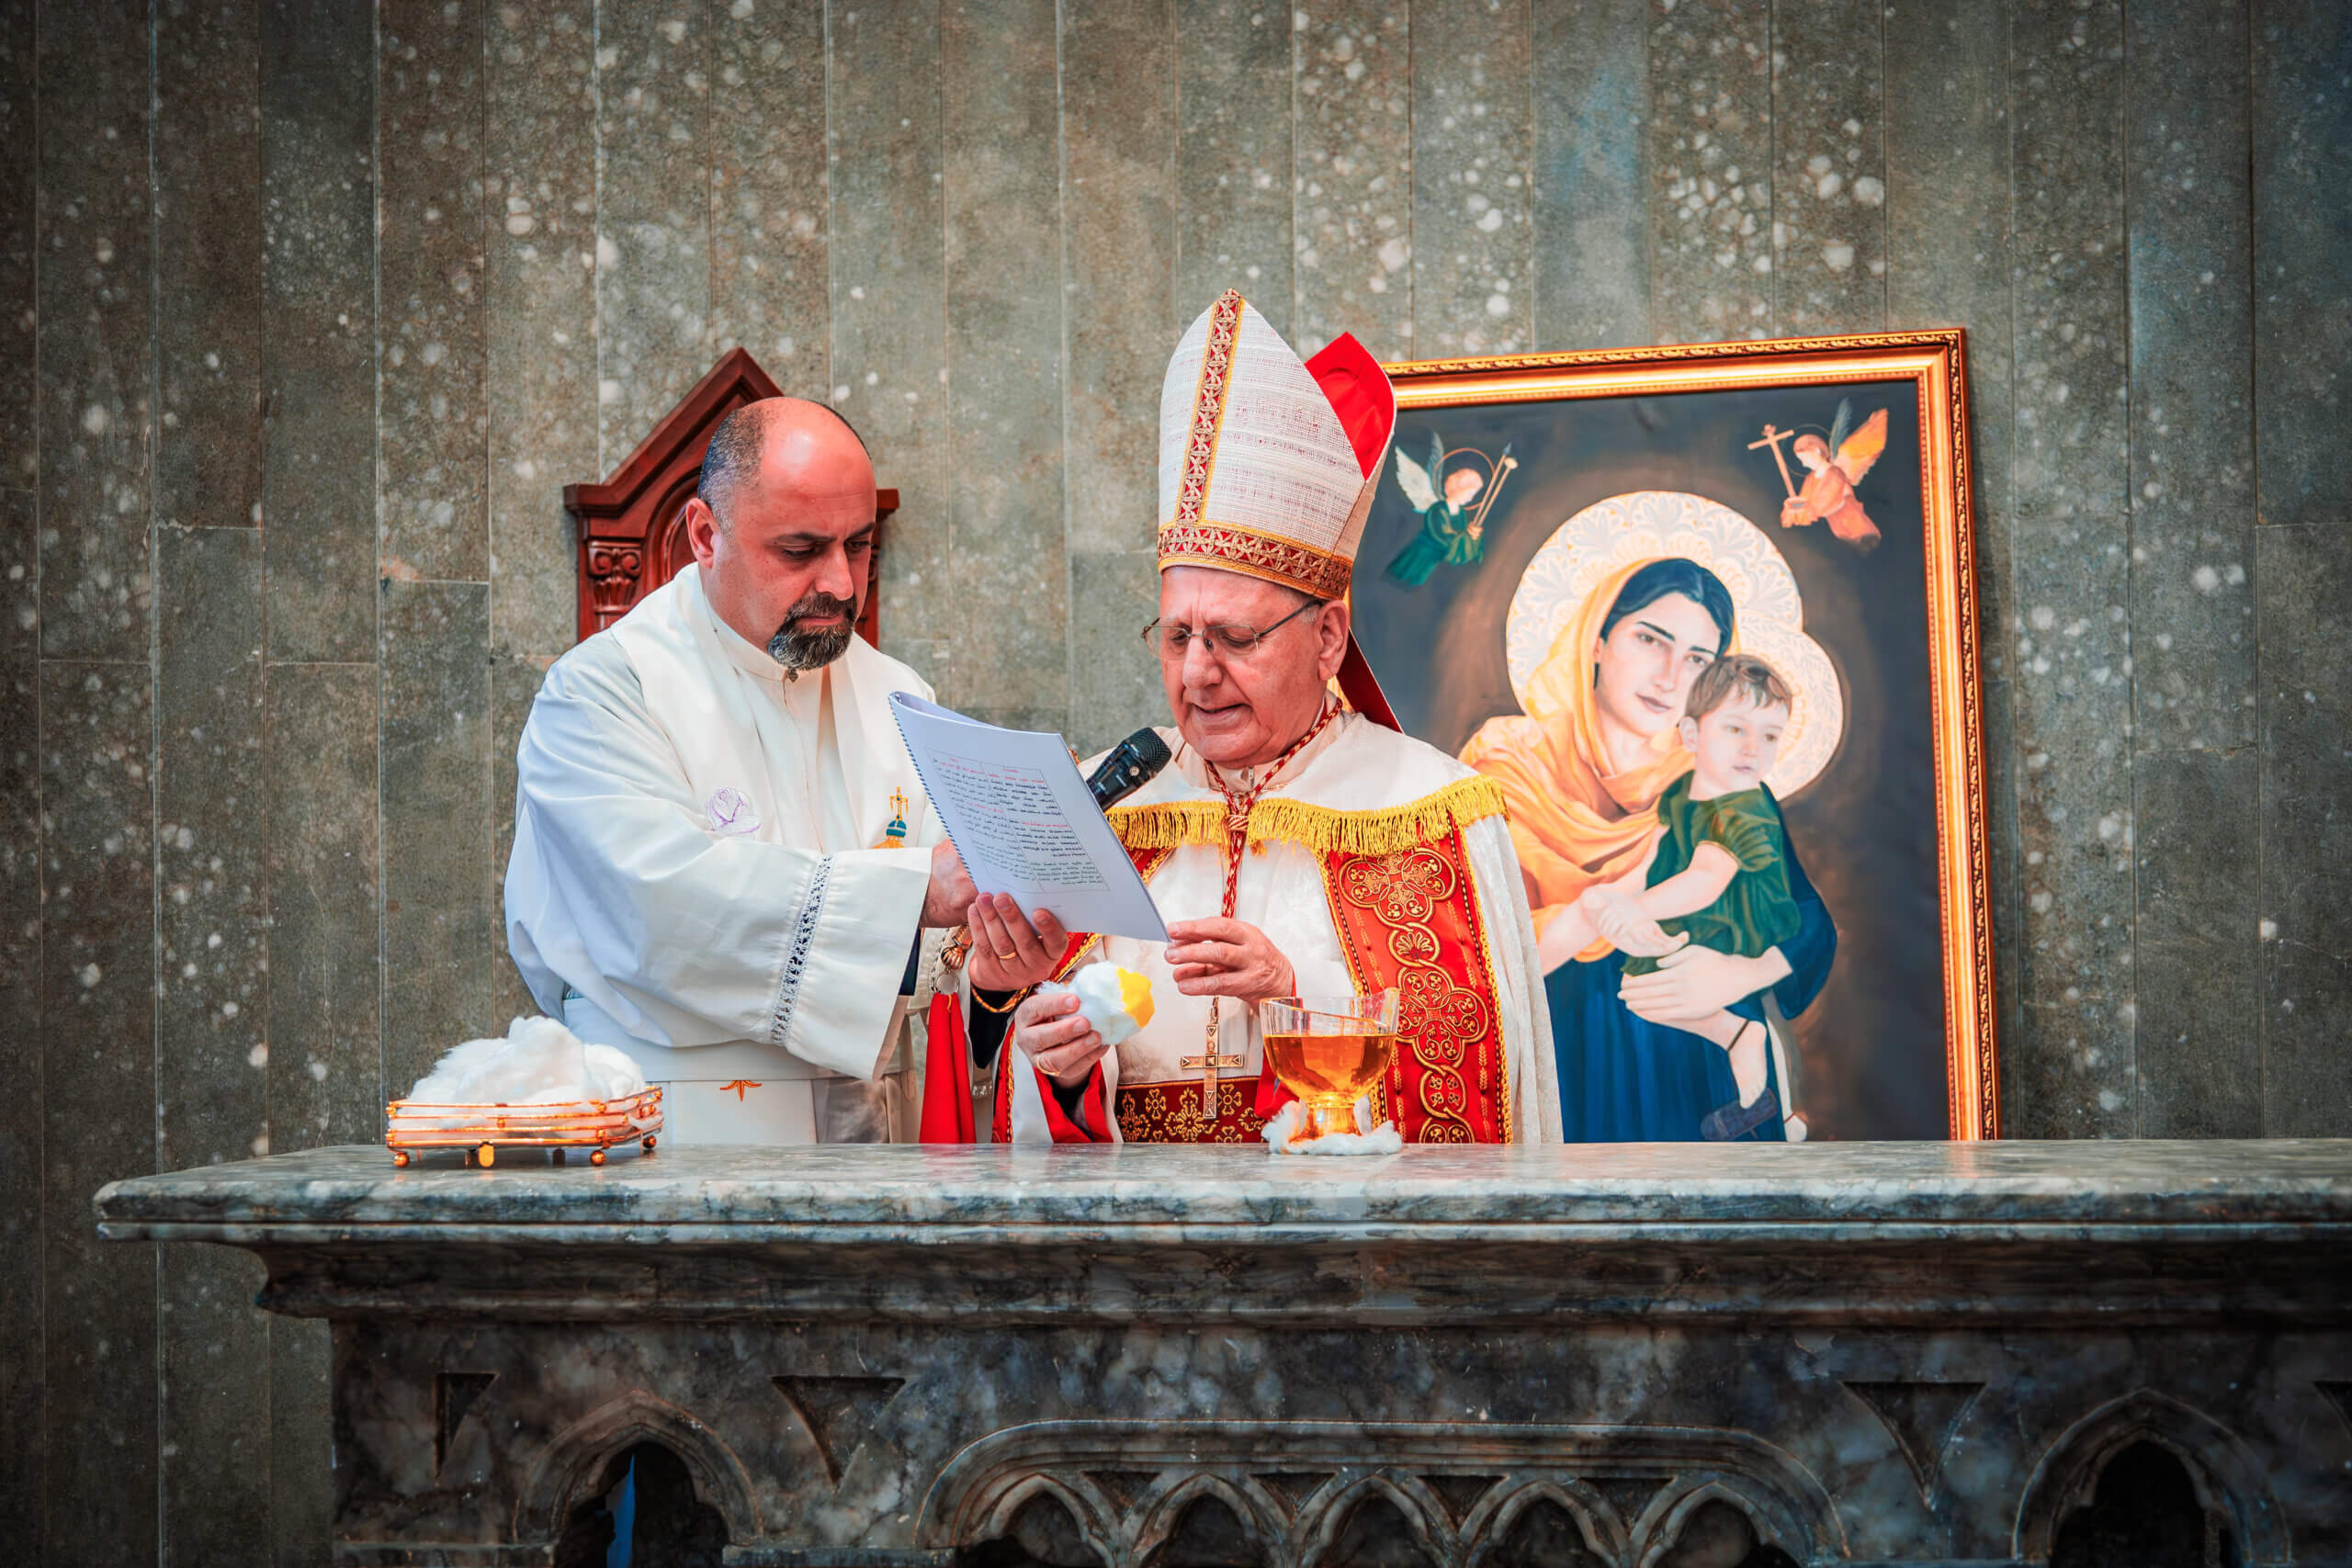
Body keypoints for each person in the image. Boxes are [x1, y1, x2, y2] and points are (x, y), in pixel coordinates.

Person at [925, 289, 1560, 1145]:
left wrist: (1295, 993)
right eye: (1178, 633)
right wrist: (1029, 1030)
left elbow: (1474, 1073)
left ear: (1328, 635)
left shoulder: (1433, 810)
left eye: (1234, 636)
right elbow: (1004, 1085)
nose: (1196, 672)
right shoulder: (1100, 804)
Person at [505, 397, 1032, 1145]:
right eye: (800, 550)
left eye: (858, 546)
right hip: (680, 1130)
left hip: (876, 1137)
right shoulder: (602, 694)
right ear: (704, 535)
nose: (843, 585)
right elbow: (661, 910)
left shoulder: (900, 697)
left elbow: (946, 954)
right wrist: (916, 889)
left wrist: (993, 956)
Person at [1461, 558, 1836, 1143]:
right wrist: (1589, 915)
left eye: (1697, 660)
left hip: (1703, 1078)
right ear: (1598, 640)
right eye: (1649, 640)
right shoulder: (1509, 768)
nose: (1669, 677)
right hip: (1571, 1062)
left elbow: (1809, 927)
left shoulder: (1721, 781)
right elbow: (1474, 958)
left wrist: (1734, 975)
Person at [1568, 653, 1803, 1138]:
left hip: (1736, 919)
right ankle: (1742, 1048)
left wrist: (1634, 908)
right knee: (1639, 992)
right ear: (1692, 735)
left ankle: (1743, 1038)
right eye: (1736, 730)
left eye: (1771, 736)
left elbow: (1706, 879)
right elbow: (1655, 857)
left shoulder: (1743, 806)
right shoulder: (1682, 795)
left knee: (1658, 983)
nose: (1753, 749)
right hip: (1692, 912)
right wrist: (1614, 896)